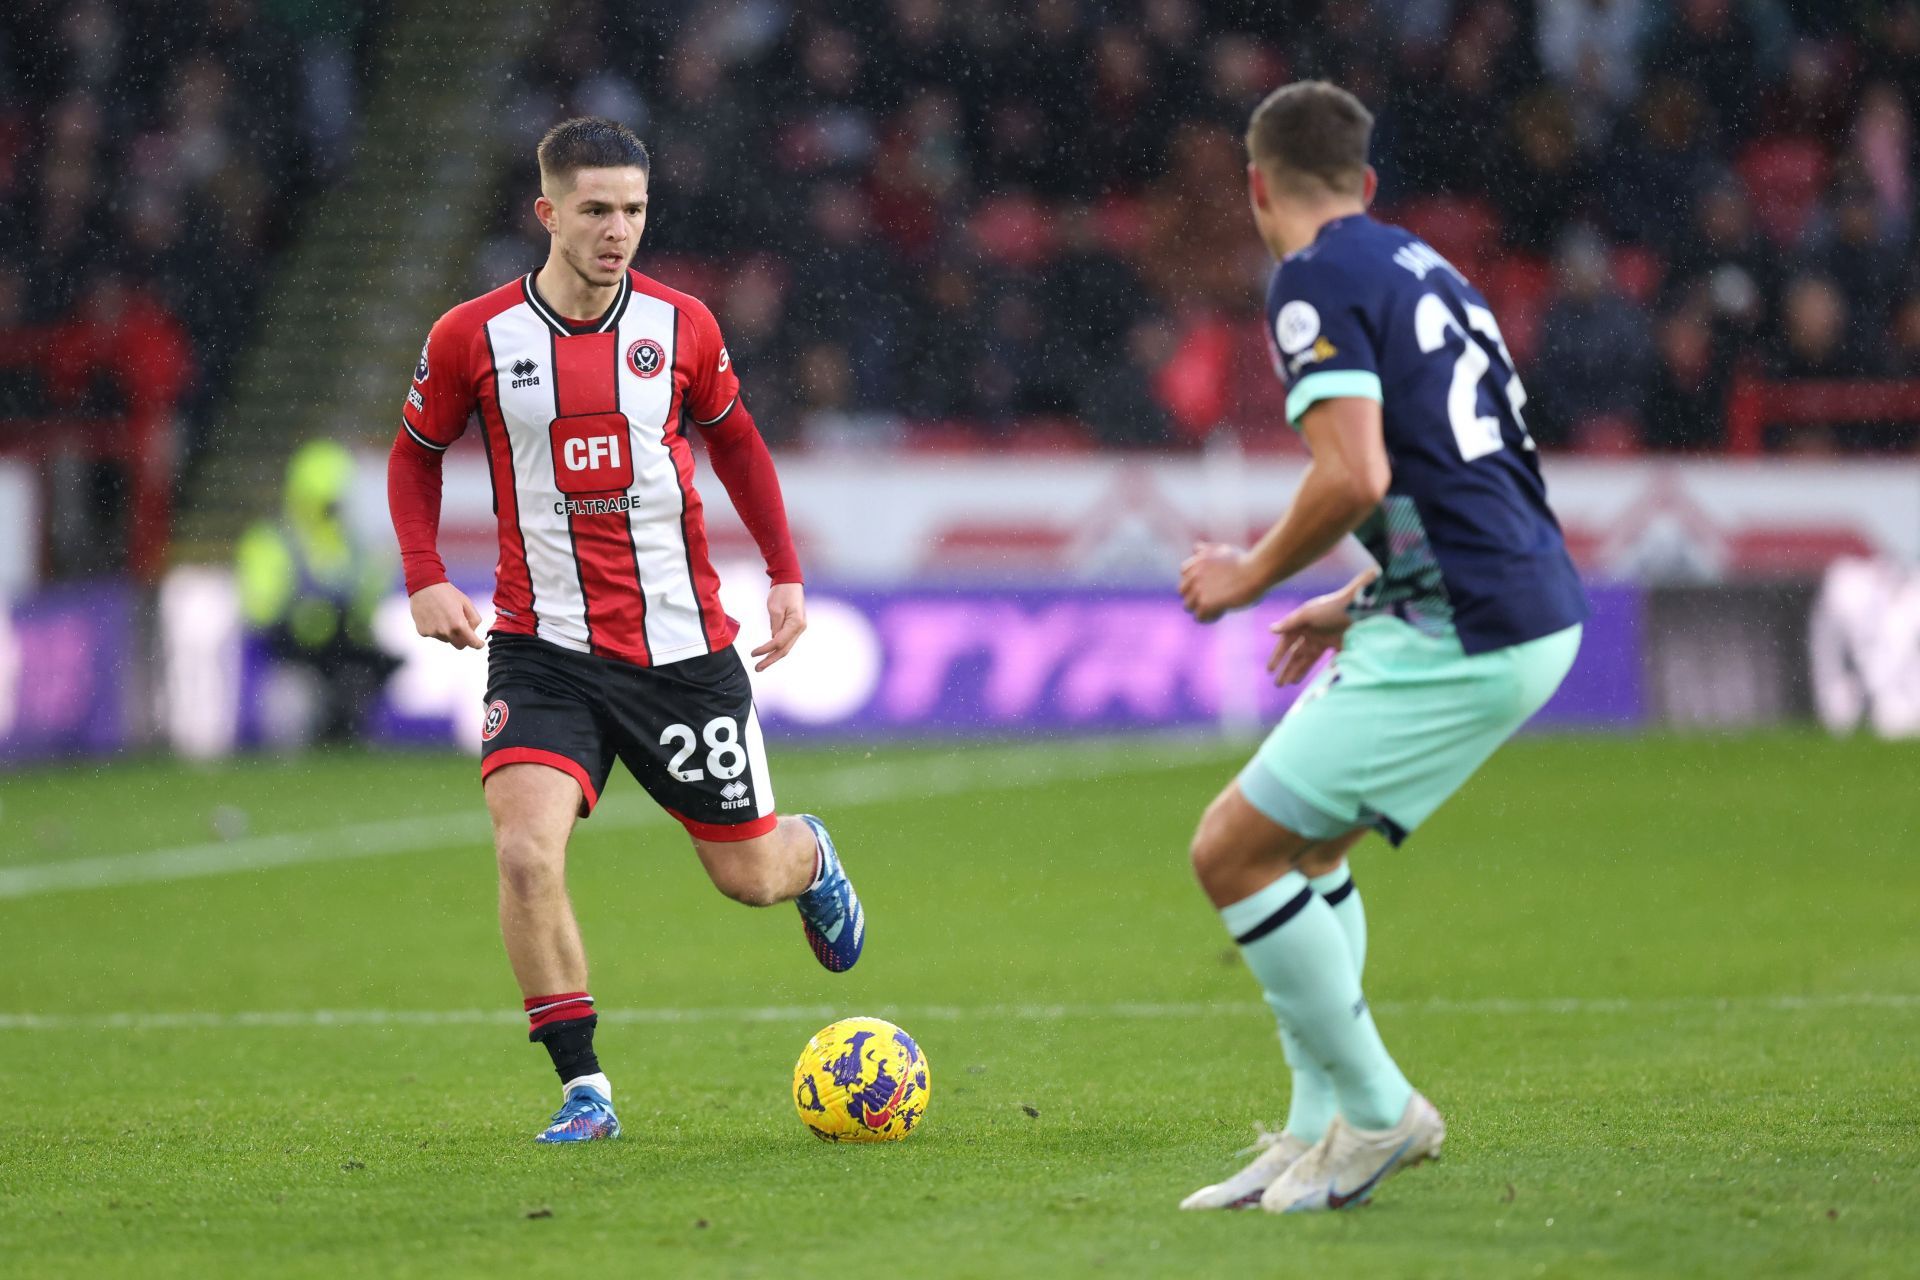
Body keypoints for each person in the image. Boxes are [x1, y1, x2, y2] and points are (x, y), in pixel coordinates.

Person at [386, 117, 865, 1144]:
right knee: (524, 854)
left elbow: (739, 446)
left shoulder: (682, 325)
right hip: (541, 646)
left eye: (634, 210)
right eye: (596, 209)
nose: (617, 231)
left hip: (682, 653)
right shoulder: (471, 336)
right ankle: (584, 1086)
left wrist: (784, 571)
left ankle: (812, 857)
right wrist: (423, 574)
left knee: (746, 875)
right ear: (546, 212)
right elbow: (413, 454)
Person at [1175, 81, 1587, 1214]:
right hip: (1496, 598)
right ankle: (1316, 1130)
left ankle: (1378, 1107)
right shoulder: (1425, 268)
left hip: (1469, 626)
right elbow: (1469, 483)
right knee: (1304, 850)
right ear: (1366, 184)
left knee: (1230, 851)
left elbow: (1358, 472)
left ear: (1257, 184)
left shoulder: (1309, 279)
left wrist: (1252, 572)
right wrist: (1355, 598)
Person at [237, 440, 399, 743]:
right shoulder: (273, 542)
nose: (336, 511)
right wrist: (308, 615)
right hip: (294, 664)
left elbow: (370, 603)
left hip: (343, 663)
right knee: (293, 714)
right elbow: (260, 614)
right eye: (330, 504)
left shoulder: (354, 544)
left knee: (358, 701)